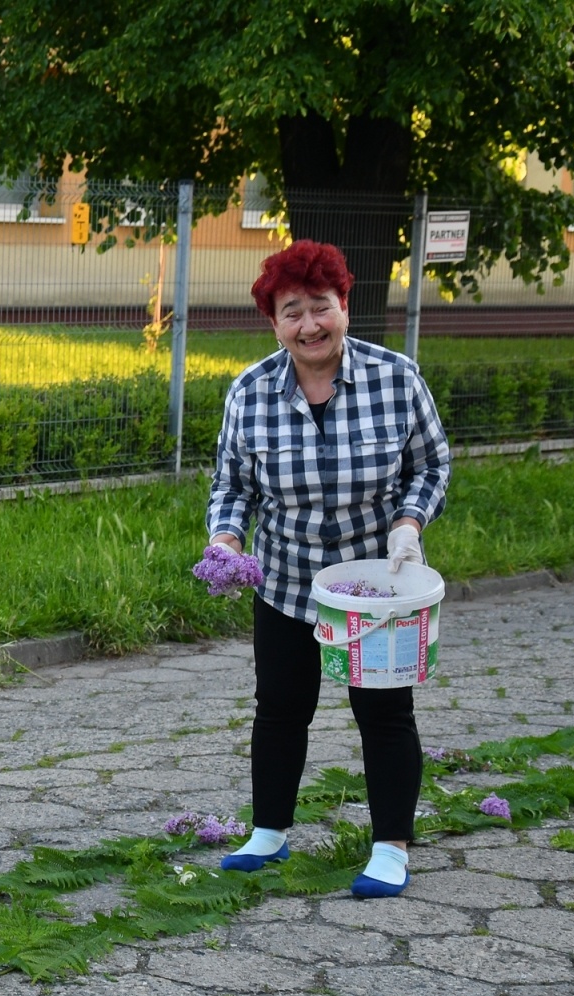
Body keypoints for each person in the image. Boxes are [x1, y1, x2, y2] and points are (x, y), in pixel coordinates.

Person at [206, 239, 450, 898]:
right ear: (274, 323)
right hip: (286, 582)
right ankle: (270, 832)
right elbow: (232, 486)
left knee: (384, 714)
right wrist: (226, 542)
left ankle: (391, 845)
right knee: (281, 708)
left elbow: (432, 463)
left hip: (376, 591)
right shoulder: (250, 393)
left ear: (345, 306)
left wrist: (409, 523)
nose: (309, 325)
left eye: (321, 307)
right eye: (292, 312)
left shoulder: (395, 378)